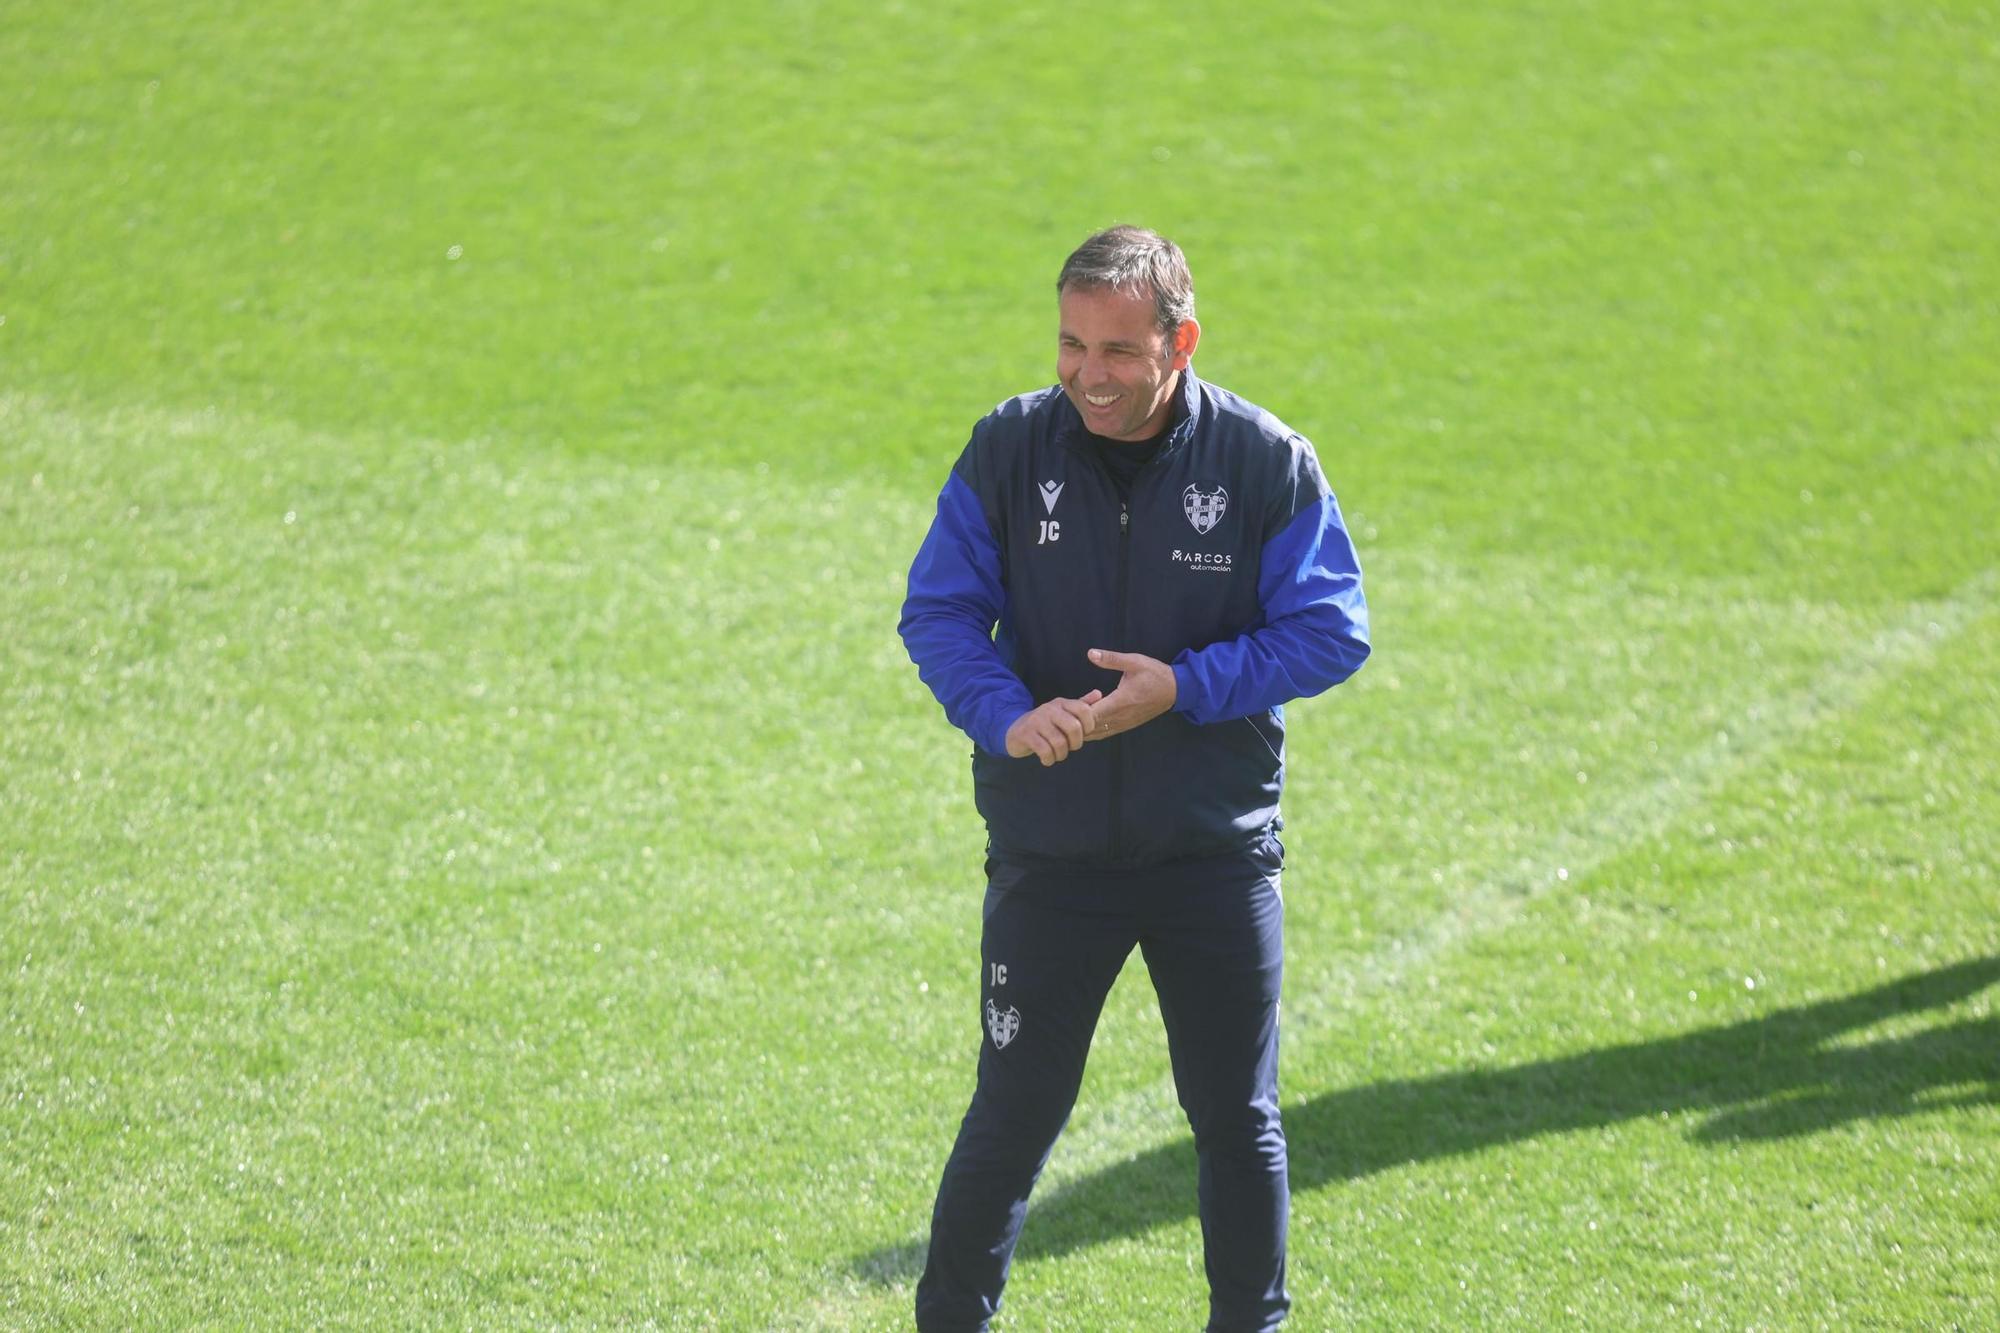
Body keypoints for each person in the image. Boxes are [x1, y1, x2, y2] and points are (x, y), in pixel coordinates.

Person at [897, 225, 1370, 1332]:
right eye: (1069, 344)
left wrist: (1187, 686)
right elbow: (940, 610)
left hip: (1211, 855)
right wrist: (1007, 717)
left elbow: (1332, 629)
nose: (1086, 377)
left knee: (1234, 1118)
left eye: (1116, 350)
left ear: (1181, 340)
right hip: (1050, 858)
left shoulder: (1262, 460)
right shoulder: (1008, 448)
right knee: (1009, 1116)